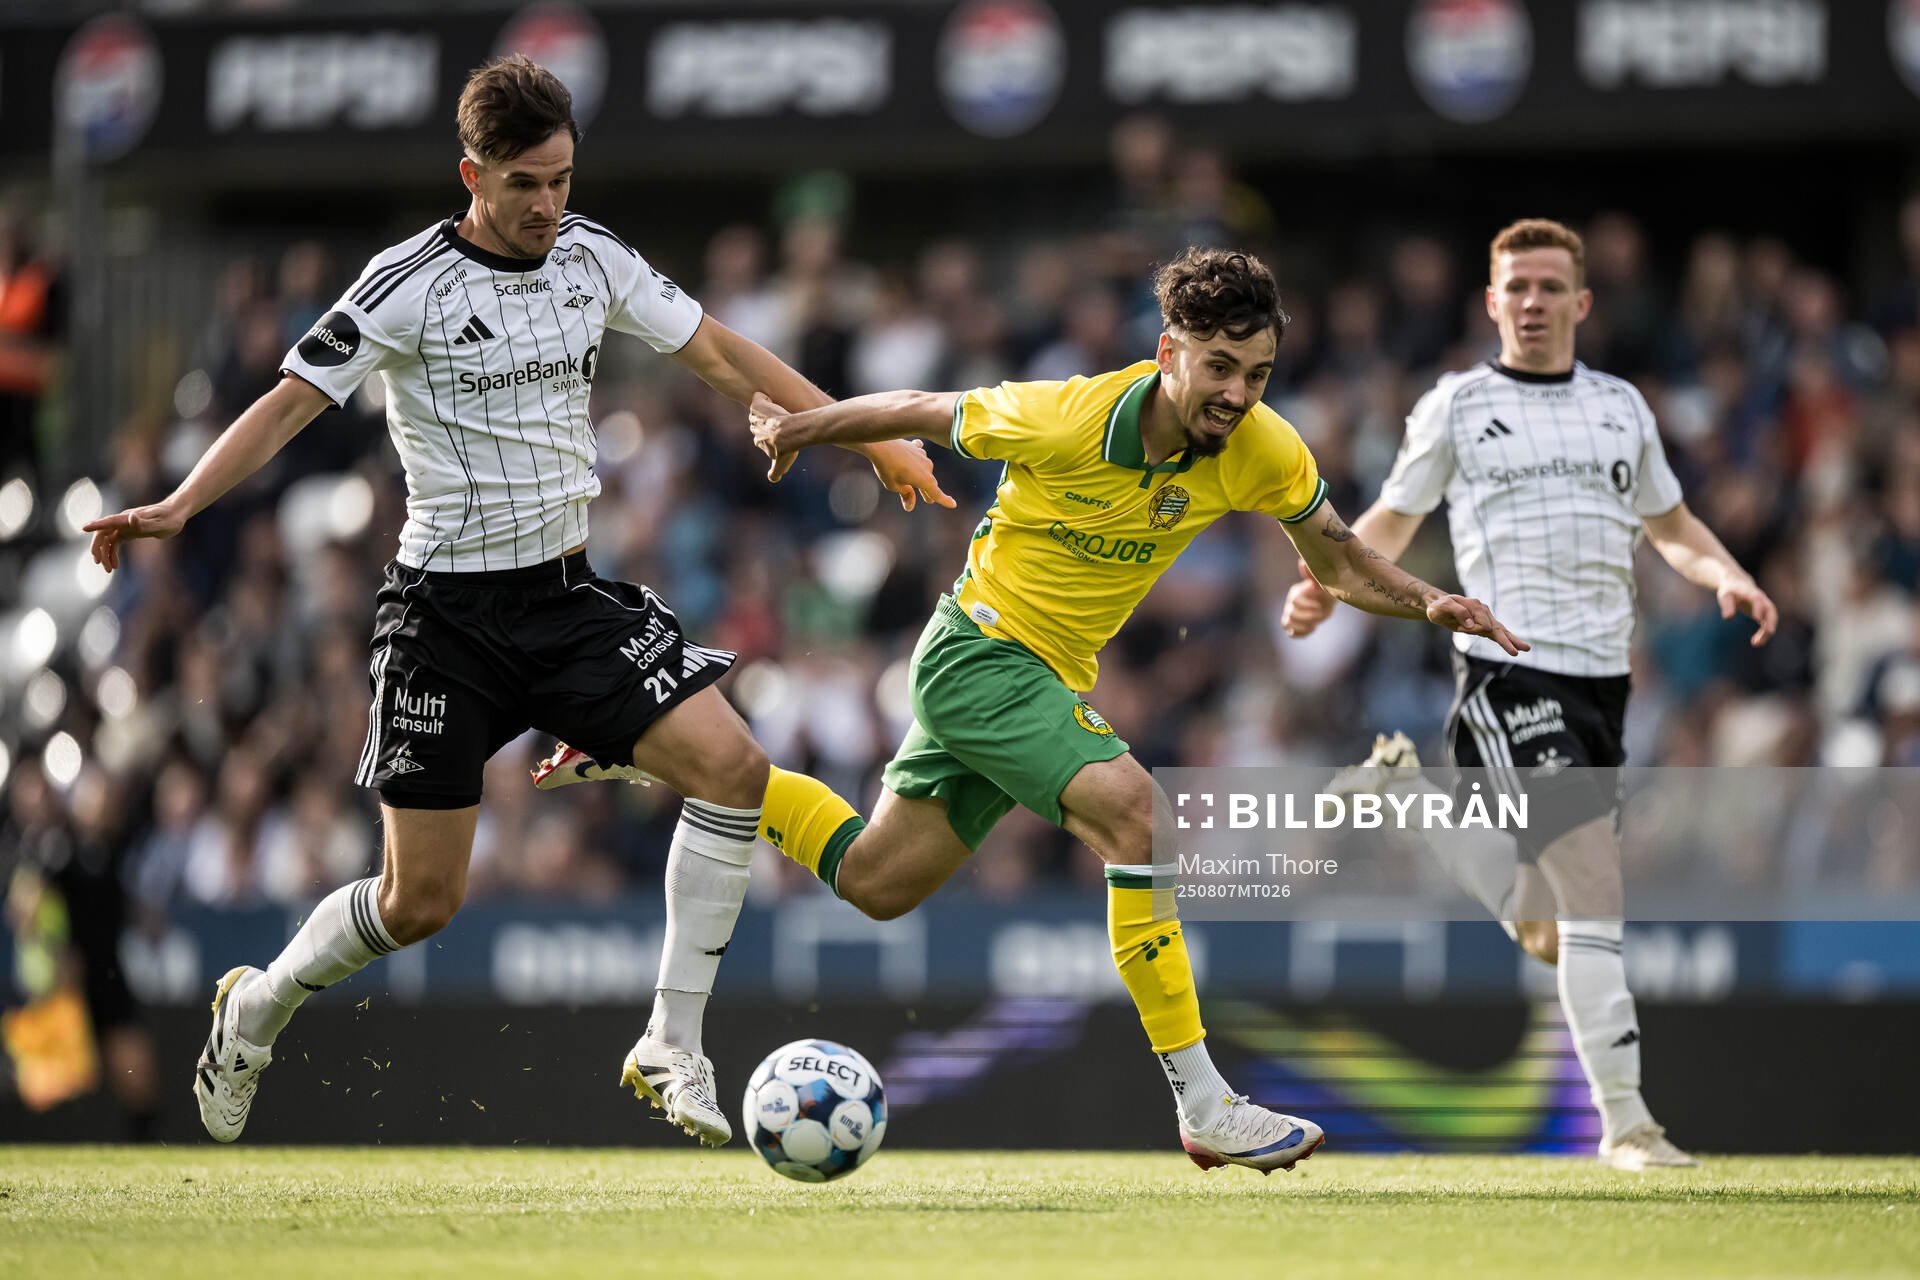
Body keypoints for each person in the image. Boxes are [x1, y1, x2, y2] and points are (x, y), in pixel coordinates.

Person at [81, 55, 950, 1147]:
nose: (549, 204)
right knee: (418, 901)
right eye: (527, 184)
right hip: (442, 624)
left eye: (562, 179)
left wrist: (869, 435)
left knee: (736, 768)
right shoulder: (404, 284)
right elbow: (288, 402)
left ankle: (671, 1040)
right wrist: (181, 502)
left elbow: (723, 355)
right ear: (472, 177)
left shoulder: (593, 257)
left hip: (566, 597)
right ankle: (257, 1003)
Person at [563, 246, 1523, 1174]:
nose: (1238, 393)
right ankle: (1203, 1103)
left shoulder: (1262, 448)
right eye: (1219, 367)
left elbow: (1343, 562)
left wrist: (1430, 602)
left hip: (1043, 678)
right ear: (1167, 354)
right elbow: (918, 408)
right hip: (980, 656)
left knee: (875, 881)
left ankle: (665, 749)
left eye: (1258, 373)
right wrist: (801, 429)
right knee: (1139, 814)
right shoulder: (1065, 415)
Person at [1283, 218, 1778, 1171]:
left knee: (1553, 929)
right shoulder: (1458, 406)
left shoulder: (1621, 407)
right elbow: (1392, 516)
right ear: (1491, 302)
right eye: (1518, 287)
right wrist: (1326, 579)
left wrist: (1723, 572)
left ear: (1583, 302)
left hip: (1602, 685)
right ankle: (1629, 1128)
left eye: (1553, 287)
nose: (1535, 303)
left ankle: (1409, 798)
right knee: (1596, 885)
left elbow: (1669, 522)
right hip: (1511, 674)